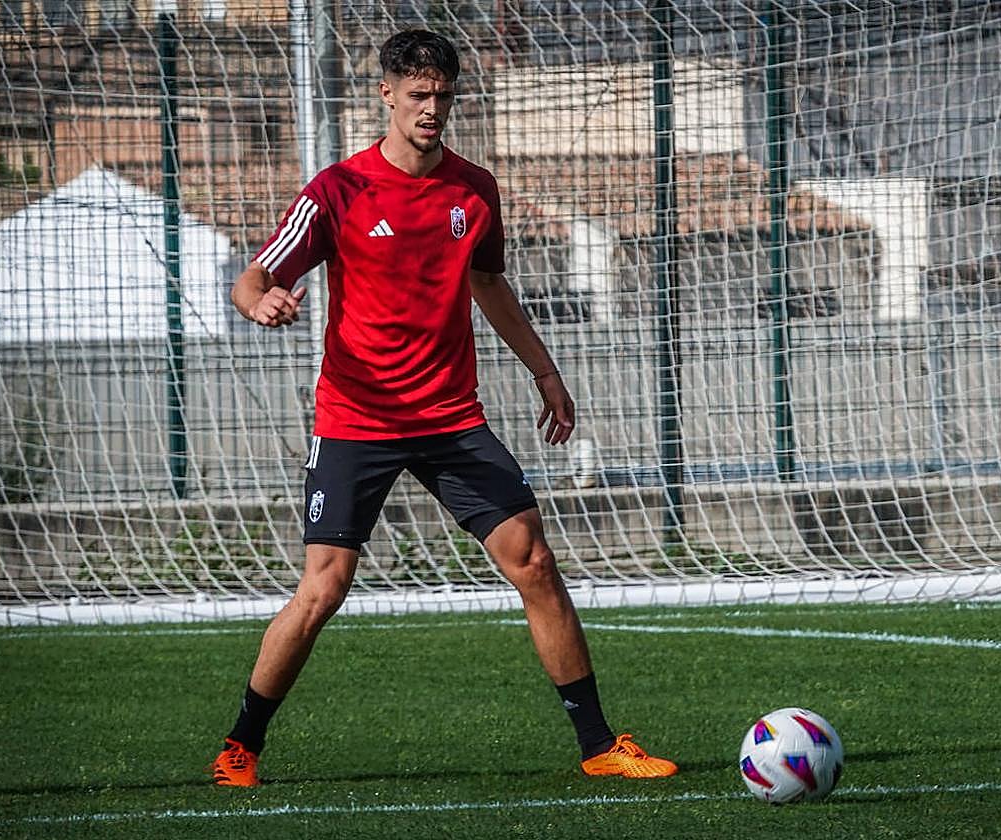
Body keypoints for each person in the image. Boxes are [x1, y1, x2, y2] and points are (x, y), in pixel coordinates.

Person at [211, 29, 677, 787]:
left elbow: (489, 286)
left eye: (443, 96)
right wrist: (259, 300)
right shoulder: (339, 190)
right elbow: (255, 272)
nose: (431, 109)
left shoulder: (473, 190)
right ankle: (240, 745)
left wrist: (545, 372)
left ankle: (597, 745)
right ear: (386, 94)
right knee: (324, 587)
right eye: (418, 95)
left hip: (451, 418)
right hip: (357, 420)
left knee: (535, 562)